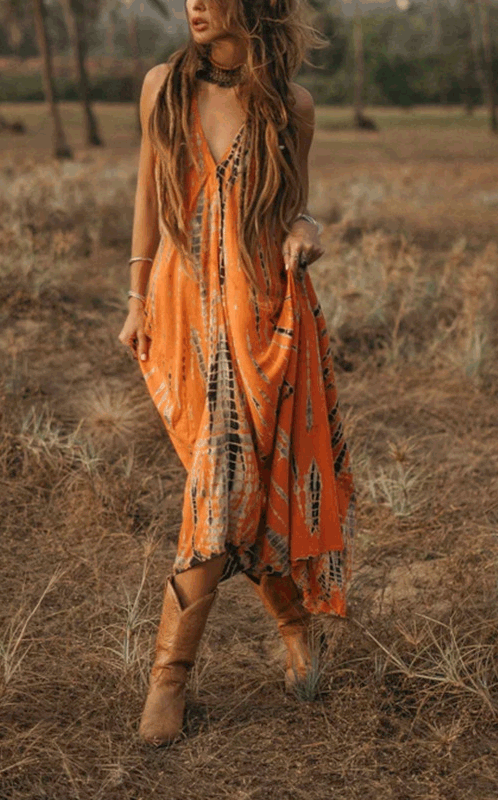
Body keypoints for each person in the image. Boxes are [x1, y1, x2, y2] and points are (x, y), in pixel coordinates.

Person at [117, 0, 357, 747]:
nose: (193, 2)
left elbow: (295, 208)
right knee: (233, 484)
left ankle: (169, 681)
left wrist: (305, 233)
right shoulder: (164, 87)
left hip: (260, 317)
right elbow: (147, 194)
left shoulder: (292, 108)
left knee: (225, 485)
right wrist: (134, 296)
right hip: (184, 313)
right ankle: (294, 627)